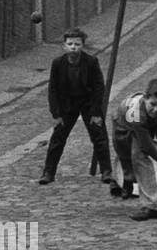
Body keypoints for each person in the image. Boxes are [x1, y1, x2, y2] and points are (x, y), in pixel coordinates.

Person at [39, 27, 112, 186]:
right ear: (64, 46)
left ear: (82, 46)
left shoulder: (91, 62)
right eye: (70, 44)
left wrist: (95, 112)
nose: (74, 47)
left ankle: (106, 171)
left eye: (77, 44)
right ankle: (48, 172)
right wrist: (56, 114)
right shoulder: (58, 63)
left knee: (99, 137)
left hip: (88, 103)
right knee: (58, 139)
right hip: (67, 105)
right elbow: (53, 89)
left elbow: (99, 87)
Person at [111, 78, 157, 221]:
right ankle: (127, 179)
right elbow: (148, 147)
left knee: (140, 158)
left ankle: (150, 207)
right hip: (123, 123)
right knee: (124, 155)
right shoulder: (136, 113)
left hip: (146, 124)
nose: (156, 109)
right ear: (145, 97)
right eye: (152, 104)